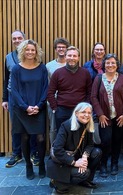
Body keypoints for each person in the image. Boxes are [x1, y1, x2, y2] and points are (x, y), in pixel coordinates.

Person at [10, 39, 48, 180]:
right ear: (22, 51)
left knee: (40, 138)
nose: (30, 52)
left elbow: (46, 88)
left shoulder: (42, 68)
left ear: (36, 52)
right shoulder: (16, 69)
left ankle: (42, 164)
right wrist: (25, 107)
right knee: (24, 138)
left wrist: (39, 105)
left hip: (39, 108)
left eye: (33, 50)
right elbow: (14, 90)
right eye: (27, 49)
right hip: (21, 110)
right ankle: (28, 166)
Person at [91, 53, 123, 177]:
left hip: (119, 117)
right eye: (108, 63)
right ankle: (103, 164)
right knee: (106, 141)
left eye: (113, 63)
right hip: (105, 117)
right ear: (104, 64)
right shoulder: (98, 78)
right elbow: (93, 97)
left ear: (117, 65)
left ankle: (114, 163)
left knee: (117, 141)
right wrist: (100, 114)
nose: (110, 65)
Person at [47, 102, 102, 194]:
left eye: (89, 113)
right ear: (76, 113)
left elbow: (90, 145)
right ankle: (57, 182)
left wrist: (84, 157)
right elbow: (57, 150)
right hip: (62, 161)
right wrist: (75, 163)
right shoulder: (66, 126)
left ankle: (84, 180)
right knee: (83, 173)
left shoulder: (88, 125)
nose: (87, 115)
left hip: (77, 156)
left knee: (97, 152)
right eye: (83, 112)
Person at [2, 30, 38, 167]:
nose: (17, 40)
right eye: (14, 39)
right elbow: (6, 79)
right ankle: (17, 154)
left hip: (31, 95)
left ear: (24, 39)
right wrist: (5, 98)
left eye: (19, 38)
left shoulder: (33, 56)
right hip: (13, 98)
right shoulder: (9, 57)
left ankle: (34, 153)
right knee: (16, 127)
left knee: (33, 125)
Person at [47, 46, 92, 132]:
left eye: (74, 56)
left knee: (78, 137)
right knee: (62, 136)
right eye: (69, 55)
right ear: (65, 57)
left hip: (80, 111)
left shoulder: (85, 73)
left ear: (78, 58)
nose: (72, 58)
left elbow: (89, 92)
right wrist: (55, 108)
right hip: (62, 111)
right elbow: (50, 92)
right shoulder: (58, 73)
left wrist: (85, 107)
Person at [46, 37, 70, 144]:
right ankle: (54, 152)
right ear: (55, 49)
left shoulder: (72, 64)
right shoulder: (49, 66)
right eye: (59, 47)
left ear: (67, 49)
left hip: (67, 102)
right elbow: (47, 86)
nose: (61, 49)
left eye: (63, 47)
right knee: (54, 127)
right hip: (53, 101)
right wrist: (51, 103)